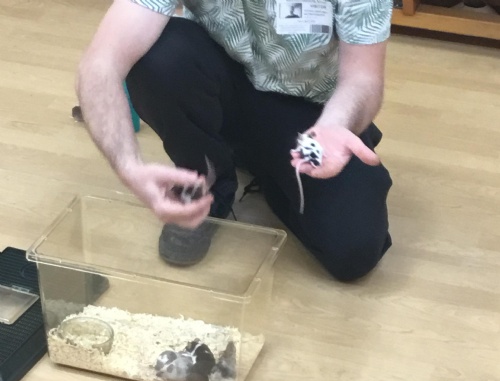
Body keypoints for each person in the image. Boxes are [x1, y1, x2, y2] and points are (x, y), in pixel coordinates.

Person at [76, 0, 394, 282]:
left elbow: (363, 78)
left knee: (353, 248)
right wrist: (128, 166)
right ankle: (207, 182)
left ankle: (264, 167)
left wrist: (337, 124)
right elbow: (101, 62)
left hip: (313, 112)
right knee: (159, 56)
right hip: (220, 86)